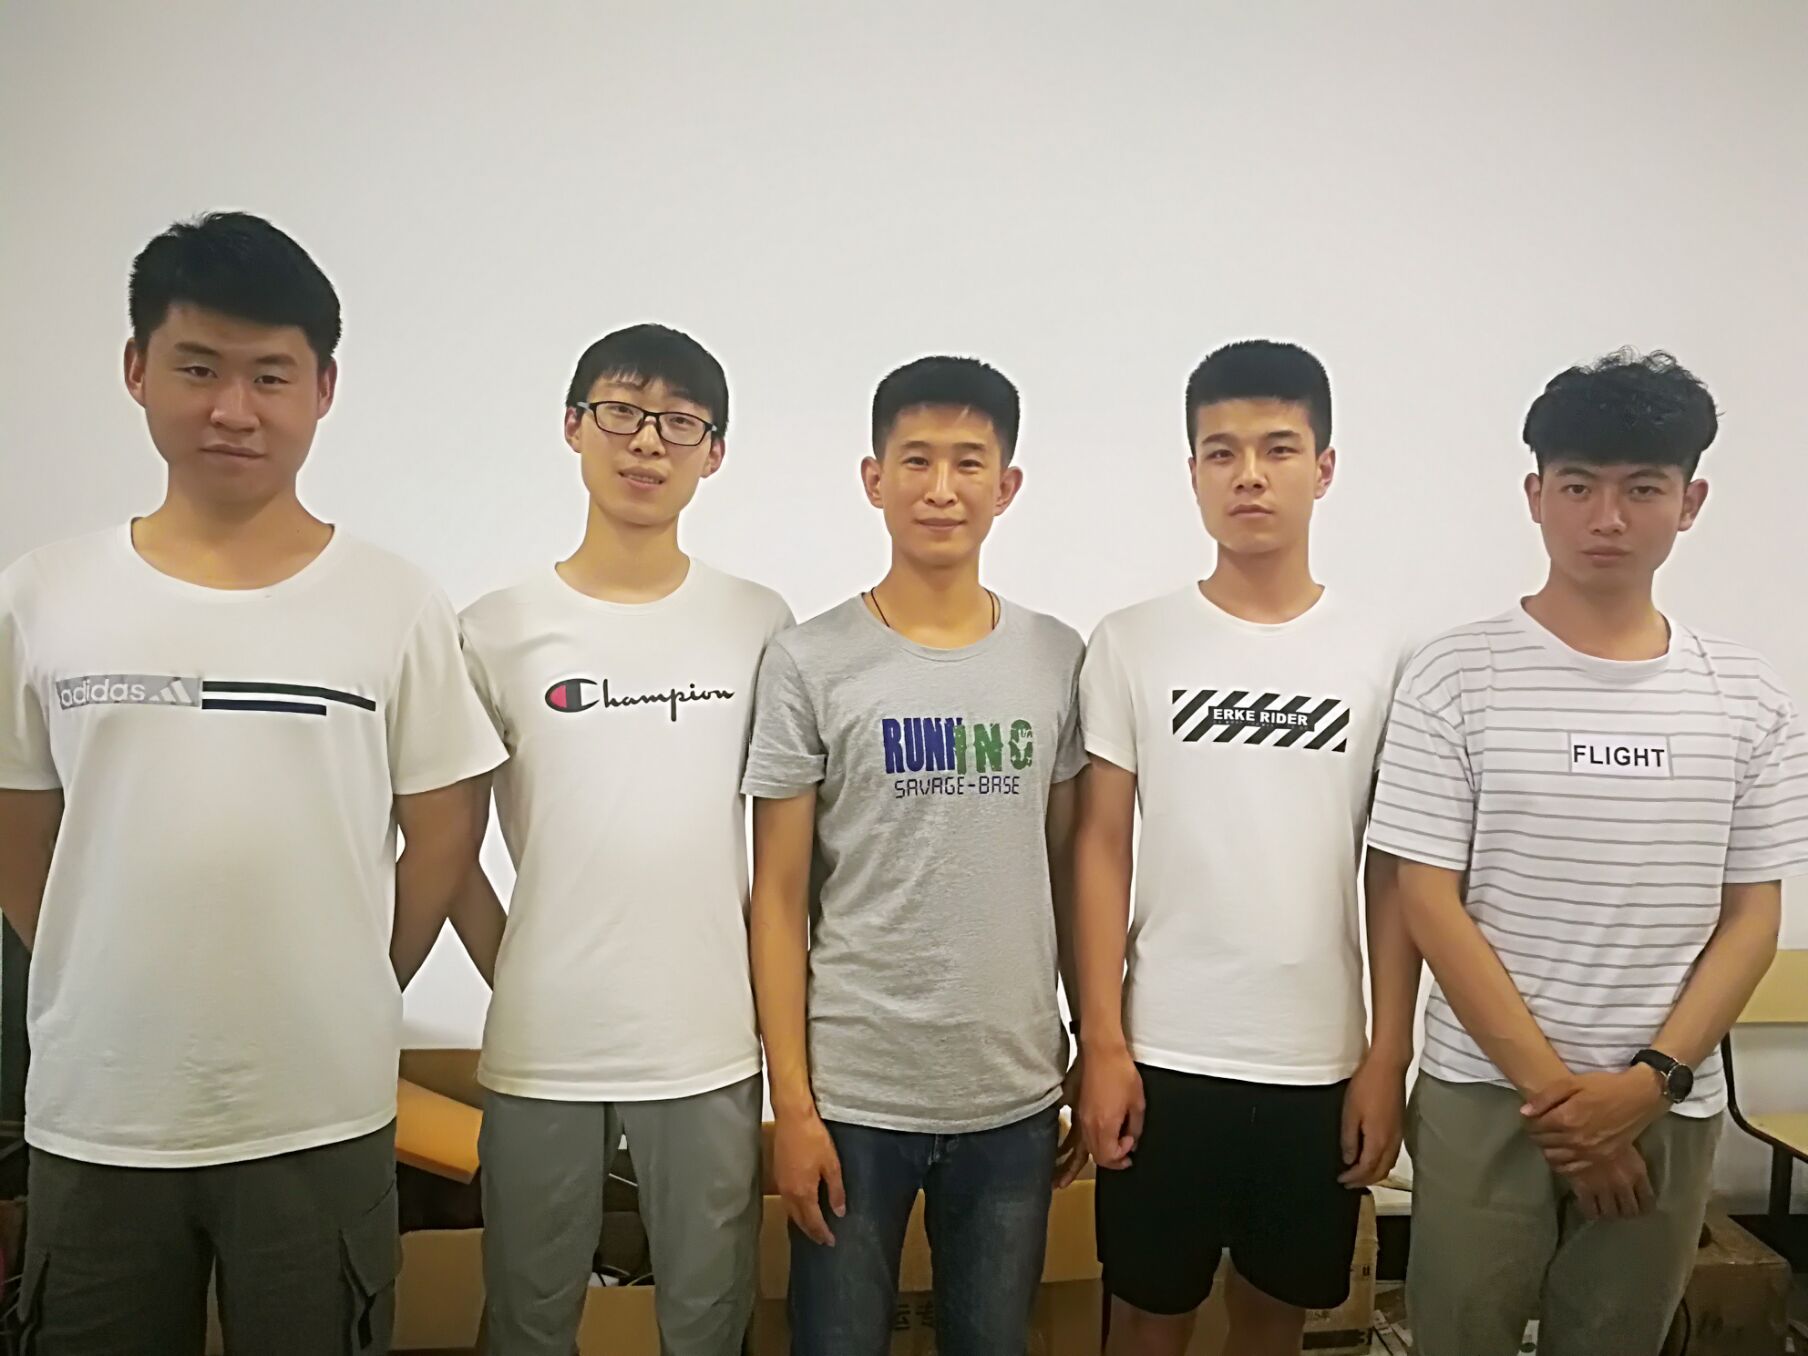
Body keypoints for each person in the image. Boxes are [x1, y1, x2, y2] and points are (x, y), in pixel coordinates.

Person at [0, 211, 503, 1355]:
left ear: (322, 389)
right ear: (137, 370)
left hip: (316, 1110)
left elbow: (443, 827)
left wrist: (358, 978)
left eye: (270, 375)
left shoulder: (393, 602)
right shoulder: (42, 596)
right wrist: (93, 962)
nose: (234, 408)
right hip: (100, 1114)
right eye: (198, 368)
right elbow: (19, 835)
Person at [1369, 349, 1808, 1355]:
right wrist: (1563, 1108)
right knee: (1458, 1335)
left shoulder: (1747, 696)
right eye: (1577, 486)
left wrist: (1646, 1084)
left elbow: (1752, 918)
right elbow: (1426, 899)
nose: (1606, 518)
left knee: (1616, 1338)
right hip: (1485, 1089)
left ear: (1689, 502)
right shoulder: (1453, 675)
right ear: (1536, 497)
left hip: (1666, 1096)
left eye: (1641, 489)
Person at [1074, 340, 1419, 1356]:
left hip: (1315, 1060)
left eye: (1278, 448)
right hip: (1161, 1052)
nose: (1249, 475)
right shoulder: (1130, 641)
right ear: (1192, 472)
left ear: (1324, 467)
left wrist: (1384, 1055)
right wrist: (1102, 1041)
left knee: (1274, 1320)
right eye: (1221, 452)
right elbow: (1100, 846)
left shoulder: (1384, 653)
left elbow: (1392, 872)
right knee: (1146, 1318)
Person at [452, 323, 791, 1355]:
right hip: (543, 1044)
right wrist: (518, 967)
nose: (647, 441)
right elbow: (444, 849)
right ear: (573, 426)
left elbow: (787, 856)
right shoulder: (495, 628)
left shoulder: (758, 622)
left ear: (713, 452)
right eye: (620, 412)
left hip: (706, 1038)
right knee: (527, 1320)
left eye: (679, 422)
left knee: (709, 1317)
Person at [743, 355, 1088, 1356]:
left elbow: (1071, 871)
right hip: (854, 1098)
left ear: (1005, 485)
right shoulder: (808, 660)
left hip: (1012, 1094)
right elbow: (777, 896)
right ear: (873, 478)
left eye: (969, 463)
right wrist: (792, 1104)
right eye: (917, 460)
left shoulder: (1055, 657)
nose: (942, 488)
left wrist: (1086, 1041)